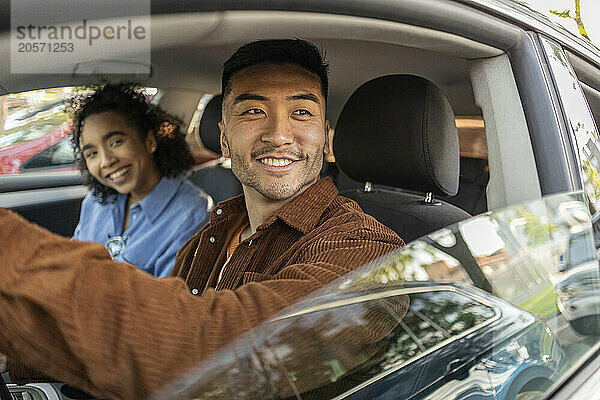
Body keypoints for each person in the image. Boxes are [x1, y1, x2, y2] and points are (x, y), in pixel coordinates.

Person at [0, 39, 404, 399]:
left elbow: (229, 351)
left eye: (301, 111)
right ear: (225, 137)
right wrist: (17, 354)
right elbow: (154, 329)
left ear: (326, 137)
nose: (279, 133)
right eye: (253, 111)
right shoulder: (217, 228)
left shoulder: (369, 250)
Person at [70, 83, 210, 277]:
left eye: (116, 142)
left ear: (149, 141)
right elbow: (71, 268)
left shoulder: (191, 215)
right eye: (92, 153)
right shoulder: (95, 202)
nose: (106, 161)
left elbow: (168, 301)